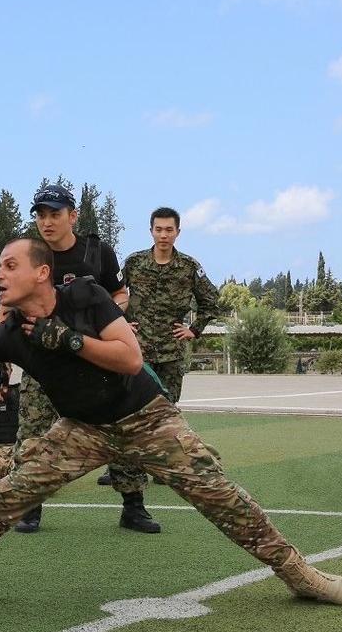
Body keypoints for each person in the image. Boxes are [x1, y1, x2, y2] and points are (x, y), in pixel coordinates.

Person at [0, 238, 342, 608]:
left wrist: (69, 340)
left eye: (8, 265)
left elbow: (130, 358)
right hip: (83, 430)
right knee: (8, 493)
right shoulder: (8, 333)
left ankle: (301, 575)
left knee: (222, 497)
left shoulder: (85, 297)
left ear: (40, 272)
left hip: (146, 418)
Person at [10, 183, 159, 534]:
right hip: (43, 361)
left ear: (72, 216)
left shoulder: (97, 252)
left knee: (121, 426)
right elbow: (7, 303)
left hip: (95, 359)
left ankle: (133, 505)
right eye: (41, 215)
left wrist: (110, 317)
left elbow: (120, 294)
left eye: (55, 214)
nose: (47, 222)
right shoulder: (27, 255)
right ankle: (29, 506)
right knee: (32, 433)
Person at [96, 205, 222, 487]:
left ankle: (162, 467)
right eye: (159, 229)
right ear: (151, 231)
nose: (163, 235)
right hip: (134, 352)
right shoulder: (134, 262)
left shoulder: (189, 267)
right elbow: (111, 295)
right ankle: (121, 468)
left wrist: (194, 329)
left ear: (178, 232)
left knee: (166, 412)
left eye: (169, 230)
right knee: (127, 409)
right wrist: (119, 322)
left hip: (170, 353)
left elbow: (211, 301)